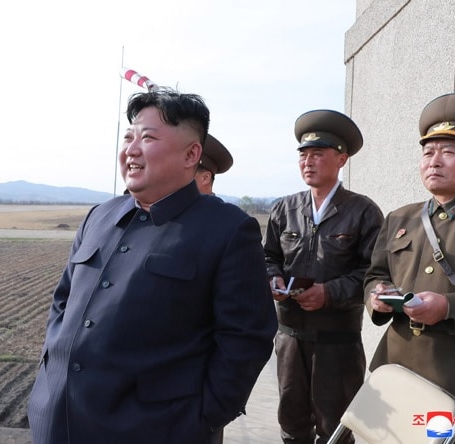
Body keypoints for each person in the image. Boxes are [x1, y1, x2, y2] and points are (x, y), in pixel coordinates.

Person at [27, 88, 278, 444]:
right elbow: (62, 302)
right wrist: (49, 374)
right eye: (128, 136)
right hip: (60, 422)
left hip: (154, 429)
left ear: (192, 154)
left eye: (147, 138)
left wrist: (204, 419)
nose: (131, 149)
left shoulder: (227, 229)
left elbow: (246, 338)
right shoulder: (100, 216)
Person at [365, 92, 455, 442]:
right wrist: (376, 295)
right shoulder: (400, 217)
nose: (434, 161)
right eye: (428, 152)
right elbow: (376, 275)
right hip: (398, 375)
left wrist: (448, 307)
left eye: (447, 152)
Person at [263, 109, 384, 444]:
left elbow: (374, 272)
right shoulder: (284, 209)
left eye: (318, 154)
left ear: (341, 159)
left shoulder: (362, 211)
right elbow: (267, 256)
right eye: (303, 155)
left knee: (336, 429)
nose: (308, 162)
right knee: (292, 422)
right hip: (289, 336)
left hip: (337, 342)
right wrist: (271, 279)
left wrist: (329, 292)